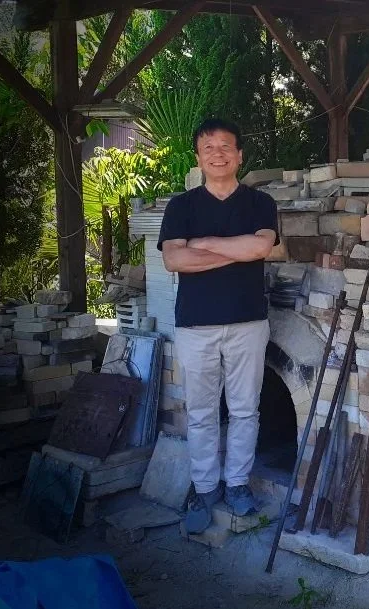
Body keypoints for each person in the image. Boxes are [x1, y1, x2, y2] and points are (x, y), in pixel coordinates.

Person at [157, 118, 279, 534]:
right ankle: (205, 488)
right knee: (202, 412)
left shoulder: (260, 203)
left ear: (239, 155)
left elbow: (262, 247)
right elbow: (174, 259)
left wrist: (204, 244)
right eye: (208, 148)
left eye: (226, 146)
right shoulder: (181, 207)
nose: (218, 154)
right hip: (196, 325)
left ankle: (238, 484)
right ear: (198, 157)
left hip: (248, 322)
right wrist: (239, 251)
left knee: (245, 409)